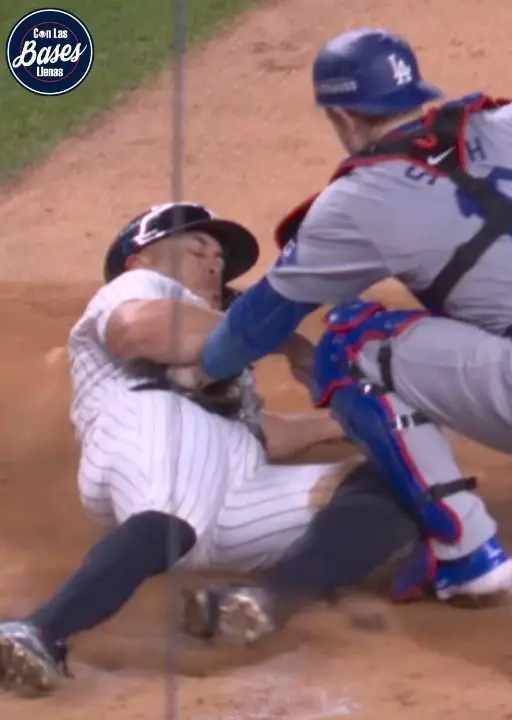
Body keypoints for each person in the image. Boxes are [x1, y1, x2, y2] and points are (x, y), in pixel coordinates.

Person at [152, 27, 512, 641]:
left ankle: (467, 553)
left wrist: (204, 366)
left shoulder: (356, 201)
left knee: (350, 340)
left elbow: (266, 316)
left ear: (340, 116)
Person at [0, 202, 434, 695]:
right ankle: (41, 630)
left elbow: (252, 437)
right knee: (172, 508)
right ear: (140, 260)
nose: (214, 263)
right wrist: (283, 340)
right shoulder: (136, 288)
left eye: (220, 259)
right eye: (195, 249)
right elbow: (138, 332)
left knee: (399, 485)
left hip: (227, 487)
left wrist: (357, 420)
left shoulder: (222, 347)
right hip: (143, 430)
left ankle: (262, 601)